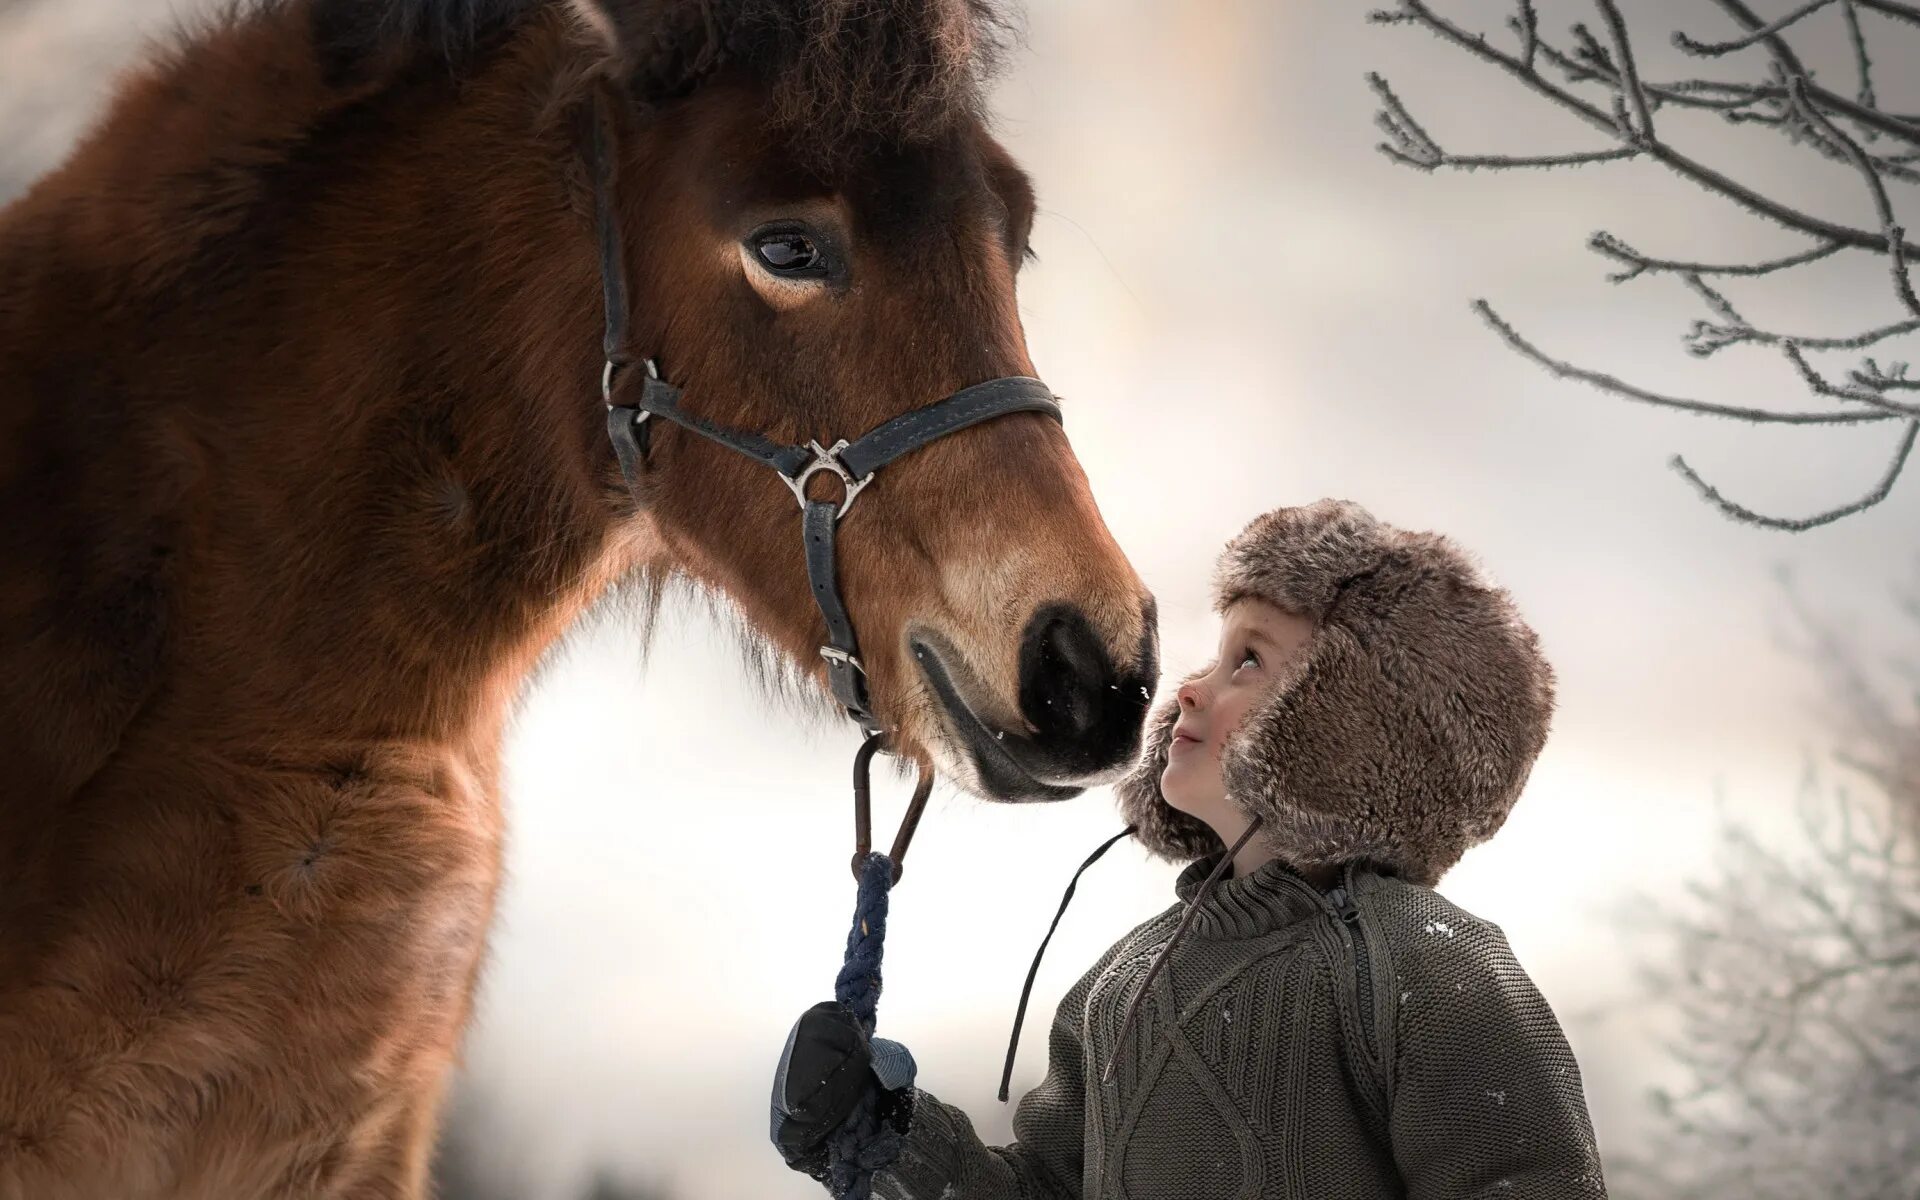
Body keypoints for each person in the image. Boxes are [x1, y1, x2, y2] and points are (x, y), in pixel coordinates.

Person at [769, 498, 1609, 1198]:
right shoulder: (1124, 982)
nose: (1195, 685)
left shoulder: (1426, 968)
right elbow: (1043, 1190)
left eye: (1250, 661)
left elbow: (1526, 1178)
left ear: (1349, 721)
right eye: (1216, 653)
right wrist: (890, 1136)